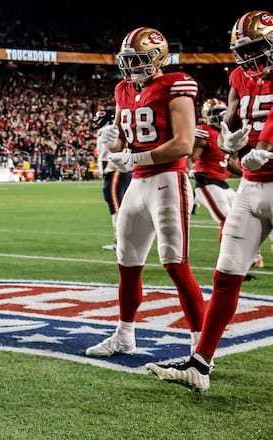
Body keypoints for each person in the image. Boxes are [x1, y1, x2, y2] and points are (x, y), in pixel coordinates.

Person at [146, 11, 273, 393]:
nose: (248, 58)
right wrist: (230, 136)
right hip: (251, 185)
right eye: (243, 51)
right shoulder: (239, 78)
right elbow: (232, 116)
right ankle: (200, 365)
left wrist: (265, 146)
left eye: (256, 48)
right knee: (225, 275)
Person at [84, 27, 205, 358]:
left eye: (139, 59)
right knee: (127, 265)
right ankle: (124, 335)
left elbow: (184, 144)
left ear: (158, 58)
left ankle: (201, 347)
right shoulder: (122, 89)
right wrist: (112, 143)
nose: (133, 66)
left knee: (175, 264)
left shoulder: (176, 84)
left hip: (168, 181)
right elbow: (123, 143)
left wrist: (134, 158)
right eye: (129, 59)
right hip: (137, 184)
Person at [93, 109, 132, 251]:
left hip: (115, 170)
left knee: (116, 207)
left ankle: (120, 241)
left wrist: (104, 172)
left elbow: (104, 156)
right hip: (125, 170)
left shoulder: (106, 130)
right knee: (121, 206)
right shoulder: (118, 128)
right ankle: (125, 239)